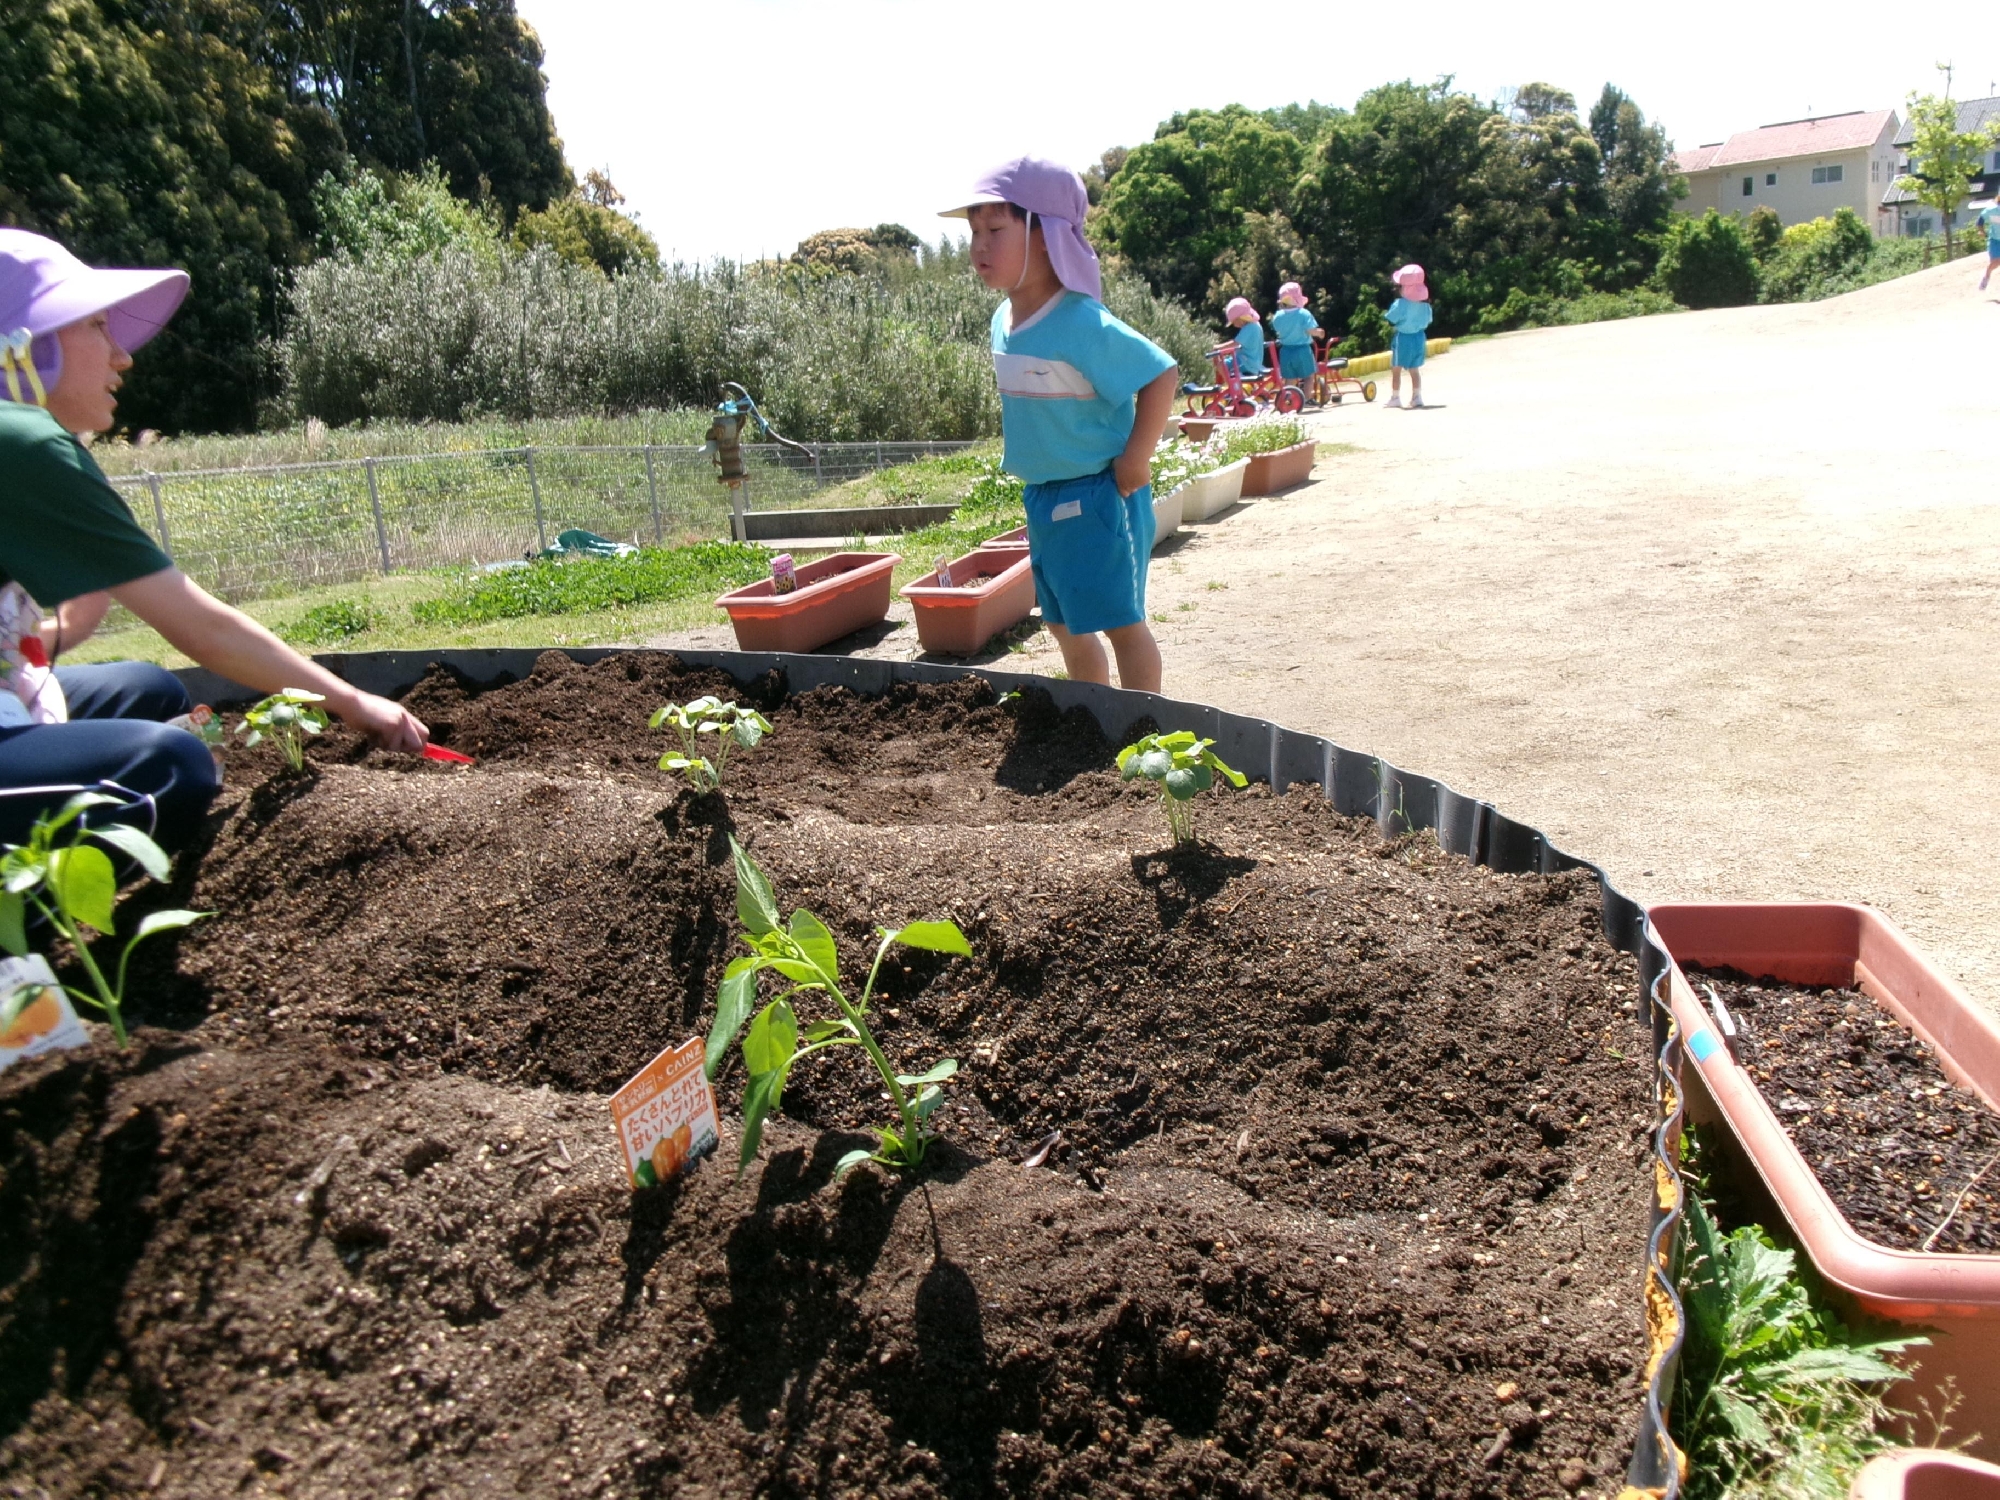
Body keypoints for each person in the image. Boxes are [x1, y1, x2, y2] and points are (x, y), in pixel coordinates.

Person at [0, 228, 429, 853]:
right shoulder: (21, 444)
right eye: (94, 325)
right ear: (21, 347)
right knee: (171, 767)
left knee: (151, 690)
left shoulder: (21, 440)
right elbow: (202, 629)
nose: (122, 355)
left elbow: (77, 613)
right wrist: (353, 701)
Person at [943, 158, 1177, 693]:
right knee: (1062, 621)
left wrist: (1136, 459)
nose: (979, 245)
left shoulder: (1080, 320)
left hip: (1098, 493)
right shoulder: (1003, 321)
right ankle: (1093, 715)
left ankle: (1145, 727)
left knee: (1120, 620)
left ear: (1046, 235)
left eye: (996, 230)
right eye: (974, 231)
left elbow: (1161, 373)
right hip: (1043, 495)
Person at [1383, 263, 1434, 409]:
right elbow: (1428, 320)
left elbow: (1391, 320)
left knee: (1396, 368)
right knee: (1414, 369)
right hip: (1419, 337)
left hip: (1403, 337)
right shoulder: (1425, 305)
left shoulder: (1400, 304)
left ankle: (1395, 397)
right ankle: (1417, 397)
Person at [1271, 282, 1321, 384]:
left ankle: (1289, 398)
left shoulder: (1278, 316)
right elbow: (1310, 330)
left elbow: (1277, 329)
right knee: (1309, 377)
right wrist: (1320, 333)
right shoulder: (1303, 313)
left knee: (1289, 379)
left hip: (1285, 351)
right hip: (1302, 350)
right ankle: (1307, 399)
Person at [1223, 296, 1269, 379]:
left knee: (1221, 365)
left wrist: (1218, 348)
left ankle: (1233, 386)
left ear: (1241, 318)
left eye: (1234, 322)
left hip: (1246, 363)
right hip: (1252, 362)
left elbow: (1235, 343)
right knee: (1227, 361)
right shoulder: (1255, 325)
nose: (1234, 325)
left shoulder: (1249, 328)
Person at [1977, 202, 2000, 292]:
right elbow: (1980, 219)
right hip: (1995, 239)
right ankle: (1986, 276)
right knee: (1995, 262)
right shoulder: (1991, 210)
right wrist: (1981, 231)